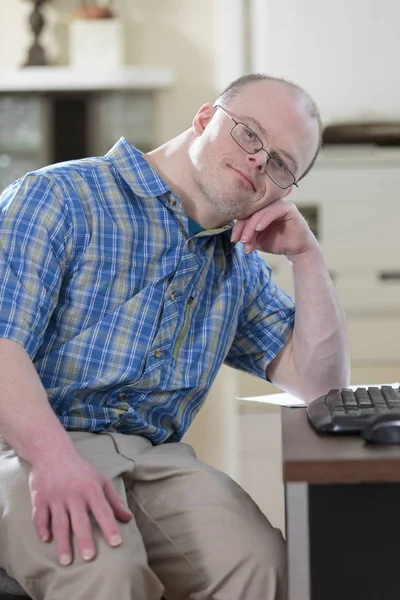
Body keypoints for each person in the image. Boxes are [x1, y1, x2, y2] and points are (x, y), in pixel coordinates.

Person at [0, 73, 350, 600]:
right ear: (206, 119)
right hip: (22, 448)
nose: (259, 161)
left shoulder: (239, 264)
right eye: (249, 134)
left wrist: (307, 257)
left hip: (154, 458)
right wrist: (52, 460)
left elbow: (320, 387)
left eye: (281, 164)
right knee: (105, 572)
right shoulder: (56, 197)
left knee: (266, 566)